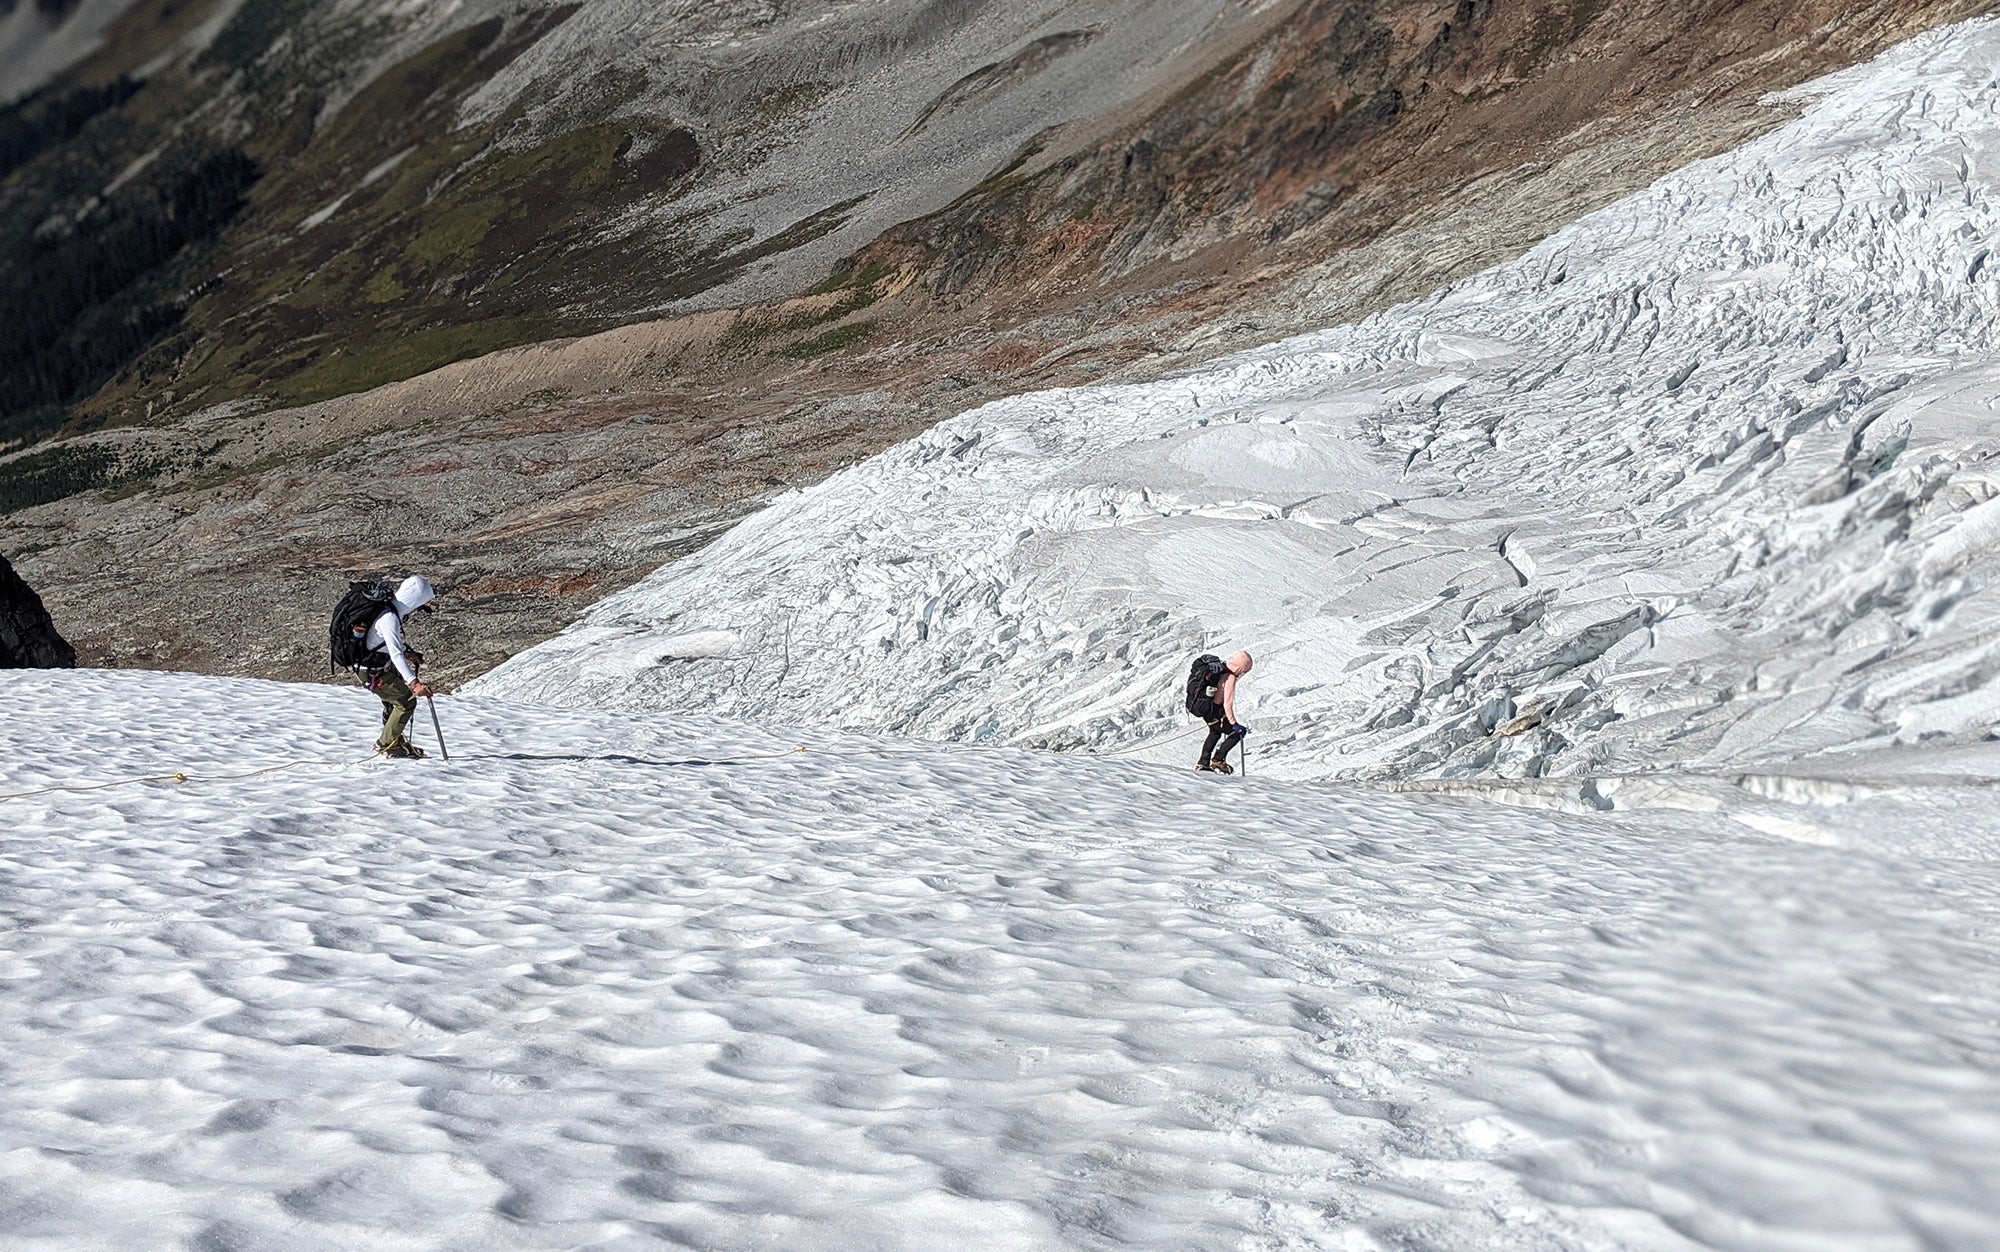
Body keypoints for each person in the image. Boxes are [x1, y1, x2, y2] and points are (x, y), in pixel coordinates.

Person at [363, 575, 438, 759]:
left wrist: (408, 653)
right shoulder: (390, 618)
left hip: (371, 667)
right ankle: (386, 744)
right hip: (374, 671)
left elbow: (385, 645)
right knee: (406, 702)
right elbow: (395, 653)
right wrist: (414, 683)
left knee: (392, 702)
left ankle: (394, 740)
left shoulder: (389, 611)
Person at [1191, 650, 1252, 774]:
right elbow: (1227, 703)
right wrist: (1234, 723)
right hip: (1215, 710)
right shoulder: (1230, 677)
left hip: (1207, 707)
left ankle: (1203, 762)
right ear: (1241, 668)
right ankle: (1218, 759)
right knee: (1237, 733)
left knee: (1215, 731)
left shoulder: (1221, 669)